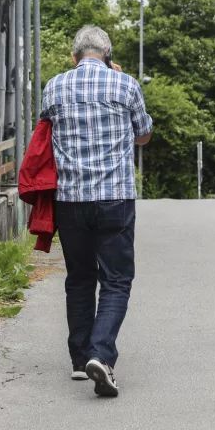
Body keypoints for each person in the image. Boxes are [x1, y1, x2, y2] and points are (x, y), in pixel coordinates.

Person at [39, 25, 153, 397]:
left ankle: (79, 360)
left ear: (74, 57)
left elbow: (44, 131)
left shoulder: (54, 87)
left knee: (79, 278)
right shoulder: (126, 85)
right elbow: (143, 134)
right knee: (116, 280)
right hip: (115, 197)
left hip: (70, 199)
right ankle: (101, 354)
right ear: (107, 55)